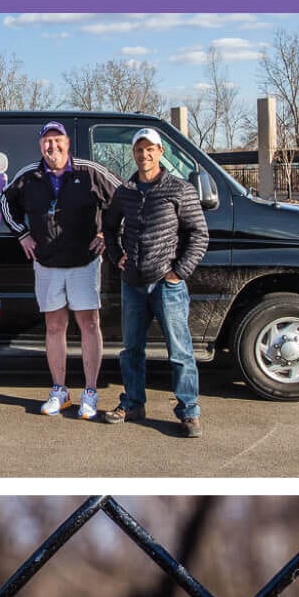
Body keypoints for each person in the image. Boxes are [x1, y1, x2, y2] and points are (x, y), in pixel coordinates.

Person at [1, 120, 120, 418]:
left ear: (67, 143)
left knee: (89, 324)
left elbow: (123, 200)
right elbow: (5, 202)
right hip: (47, 263)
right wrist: (23, 234)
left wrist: (107, 233)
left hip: (85, 262)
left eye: (58, 140)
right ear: (41, 144)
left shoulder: (89, 172)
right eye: (46, 141)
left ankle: (90, 393)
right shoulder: (29, 176)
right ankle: (60, 391)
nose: (52, 146)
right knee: (55, 326)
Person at [103, 128, 209, 437]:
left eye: (150, 149)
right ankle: (133, 403)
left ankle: (189, 412)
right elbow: (109, 228)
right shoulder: (125, 191)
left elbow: (199, 235)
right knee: (131, 350)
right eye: (139, 149)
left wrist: (179, 272)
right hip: (133, 283)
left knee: (180, 352)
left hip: (168, 284)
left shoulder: (179, 190)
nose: (144, 154)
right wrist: (116, 255)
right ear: (133, 153)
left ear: (160, 152)